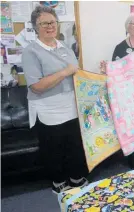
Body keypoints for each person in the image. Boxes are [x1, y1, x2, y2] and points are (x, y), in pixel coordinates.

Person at [21, 5, 88, 194]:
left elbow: (76, 73)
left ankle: (76, 176)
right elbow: (36, 86)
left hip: (71, 105)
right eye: (44, 23)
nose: (50, 26)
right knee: (54, 148)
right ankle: (58, 181)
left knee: (74, 144)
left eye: (52, 22)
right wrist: (65, 71)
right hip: (48, 108)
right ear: (36, 27)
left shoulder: (64, 47)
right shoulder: (31, 52)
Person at [100, 13, 134, 167]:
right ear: (127, 27)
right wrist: (107, 69)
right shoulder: (120, 47)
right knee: (131, 122)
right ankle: (132, 148)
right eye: (133, 24)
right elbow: (114, 68)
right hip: (127, 93)